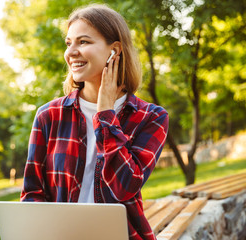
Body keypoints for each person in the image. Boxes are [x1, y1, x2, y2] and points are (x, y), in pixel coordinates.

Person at [20, 4, 169, 240]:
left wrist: (106, 115)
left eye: (84, 42)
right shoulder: (49, 115)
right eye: (69, 43)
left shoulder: (151, 117)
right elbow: (32, 194)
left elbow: (125, 187)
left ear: (115, 51)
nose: (71, 52)